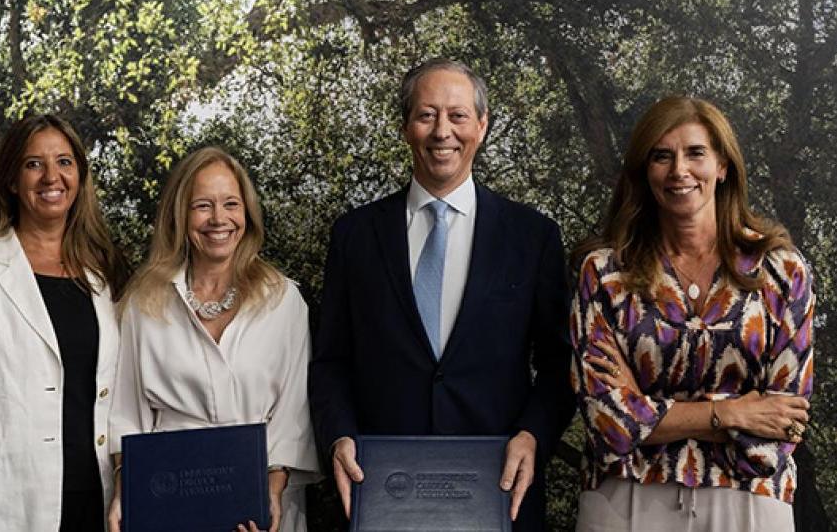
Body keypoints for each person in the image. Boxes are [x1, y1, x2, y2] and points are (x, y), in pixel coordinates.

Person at [308, 58, 574, 530]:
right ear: (407, 126)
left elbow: (559, 364)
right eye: (427, 115)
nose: (442, 131)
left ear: (483, 125)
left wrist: (534, 435)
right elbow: (331, 361)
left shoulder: (533, 237)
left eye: (457, 116)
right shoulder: (355, 236)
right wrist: (339, 438)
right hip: (382, 495)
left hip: (499, 496)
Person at [570, 96, 814, 531]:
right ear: (646, 172)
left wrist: (643, 408)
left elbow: (781, 429)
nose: (679, 170)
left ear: (723, 166)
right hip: (626, 498)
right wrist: (734, 413)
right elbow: (607, 422)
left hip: (750, 499)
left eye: (695, 152)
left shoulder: (782, 271)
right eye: (662, 156)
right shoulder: (605, 273)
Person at [0, 114, 128, 531]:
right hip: (3, 506)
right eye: (34, 164)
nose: (52, 176)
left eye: (65, 162)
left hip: (99, 503)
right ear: (12, 180)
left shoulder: (104, 276)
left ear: (80, 176)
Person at [108, 147, 319, 532]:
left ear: (247, 214)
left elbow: (294, 417)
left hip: (260, 509)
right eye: (202, 206)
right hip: (167, 504)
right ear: (180, 215)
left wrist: (270, 493)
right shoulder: (142, 304)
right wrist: (125, 490)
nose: (219, 219)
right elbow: (125, 415)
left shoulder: (284, 299)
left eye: (231, 204)